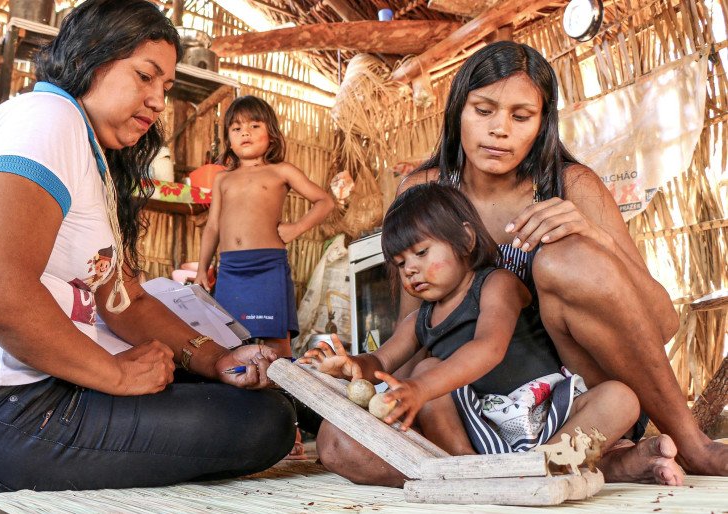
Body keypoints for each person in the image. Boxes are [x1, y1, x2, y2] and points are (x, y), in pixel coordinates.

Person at [0, 0, 295, 493]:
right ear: (91, 58)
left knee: (239, 397)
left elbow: (125, 302)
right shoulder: (47, 119)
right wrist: (113, 374)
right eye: (144, 76)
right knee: (266, 423)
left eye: (166, 87)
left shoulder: (76, 144)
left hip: (8, 407)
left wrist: (214, 359)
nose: (158, 101)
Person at [317, 40, 723, 486]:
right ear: (457, 111)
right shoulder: (427, 190)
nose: (499, 130)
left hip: (570, 399)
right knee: (340, 442)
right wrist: (376, 375)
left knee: (564, 258)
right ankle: (591, 466)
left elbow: (661, 324)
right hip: (463, 405)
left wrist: (595, 237)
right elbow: (415, 328)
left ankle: (692, 444)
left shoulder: (571, 186)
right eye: (483, 110)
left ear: (542, 122)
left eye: (520, 116)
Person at [304, 182, 640, 462]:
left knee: (621, 398)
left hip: (549, 411)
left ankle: (545, 463)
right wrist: (351, 366)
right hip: (480, 427)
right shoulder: (418, 319)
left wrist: (422, 388)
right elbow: (381, 361)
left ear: (465, 240)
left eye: (421, 253)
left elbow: (490, 347)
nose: (409, 269)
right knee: (426, 368)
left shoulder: (496, 284)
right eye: (400, 262)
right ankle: (465, 464)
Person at [194, 95, 334, 358]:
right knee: (229, 340)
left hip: (268, 267)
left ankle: (280, 395)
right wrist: (203, 268)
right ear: (229, 139)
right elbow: (212, 226)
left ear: (272, 133)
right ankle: (239, 392)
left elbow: (325, 201)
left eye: (254, 125)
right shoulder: (223, 179)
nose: (244, 132)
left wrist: (297, 228)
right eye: (236, 128)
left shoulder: (281, 171)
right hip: (230, 270)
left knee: (276, 343)